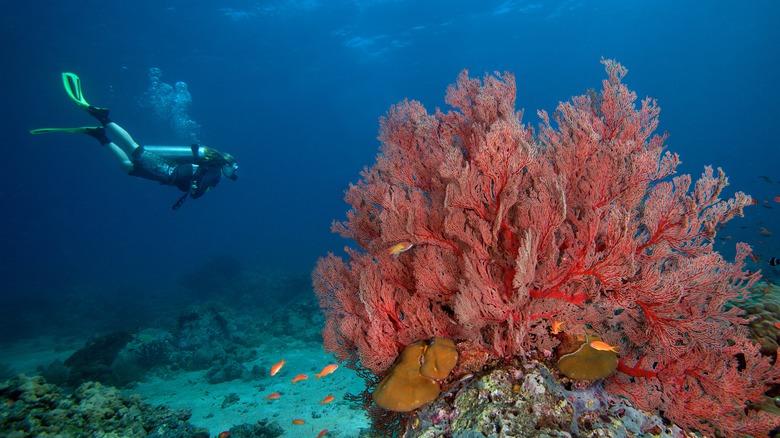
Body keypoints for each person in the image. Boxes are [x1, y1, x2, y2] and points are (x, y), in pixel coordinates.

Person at [31, 73, 238, 210]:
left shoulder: (212, 164)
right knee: (134, 150)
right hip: (167, 171)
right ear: (226, 163)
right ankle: (103, 118)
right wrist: (195, 189)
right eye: (233, 167)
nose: (233, 172)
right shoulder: (215, 170)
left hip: (168, 173)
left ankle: (100, 135)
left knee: (129, 167)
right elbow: (196, 193)